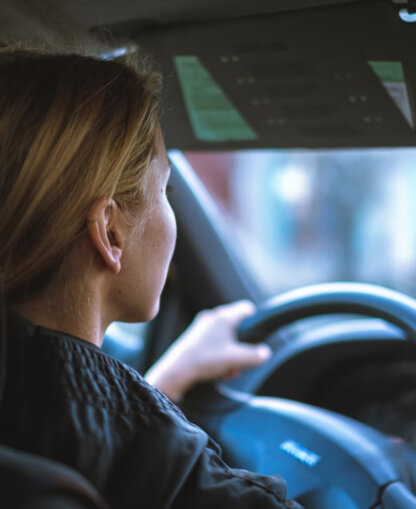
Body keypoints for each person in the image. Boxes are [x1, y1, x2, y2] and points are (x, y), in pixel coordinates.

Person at [0, 46, 301, 508]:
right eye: (166, 189)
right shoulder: (176, 476)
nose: (170, 208)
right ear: (110, 232)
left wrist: (162, 384)